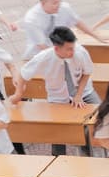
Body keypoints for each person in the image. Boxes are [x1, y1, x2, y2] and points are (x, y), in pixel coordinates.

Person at [14, 27, 98, 156]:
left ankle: (87, 153)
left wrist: (79, 95)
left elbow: (87, 73)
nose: (72, 51)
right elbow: (23, 74)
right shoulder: (44, 57)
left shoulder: (80, 52)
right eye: (68, 49)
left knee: (101, 114)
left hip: (84, 91)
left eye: (73, 47)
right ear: (57, 48)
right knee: (58, 131)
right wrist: (19, 94)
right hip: (58, 97)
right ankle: (58, 158)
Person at [20, 0, 109, 60]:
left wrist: (97, 36)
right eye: (54, 3)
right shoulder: (31, 19)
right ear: (43, 2)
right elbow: (42, 46)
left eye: (59, 1)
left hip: (62, 50)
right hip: (39, 55)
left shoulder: (64, 8)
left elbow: (77, 22)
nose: (58, 5)